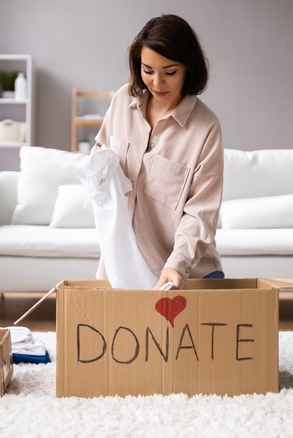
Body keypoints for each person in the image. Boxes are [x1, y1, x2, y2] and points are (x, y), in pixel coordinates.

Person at [94, 14, 224, 290]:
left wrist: (177, 264)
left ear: (188, 67)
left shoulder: (205, 129)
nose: (157, 83)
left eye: (169, 71)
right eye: (148, 70)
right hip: (121, 270)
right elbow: (100, 152)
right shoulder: (122, 101)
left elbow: (201, 214)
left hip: (184, 275)